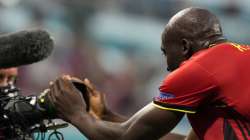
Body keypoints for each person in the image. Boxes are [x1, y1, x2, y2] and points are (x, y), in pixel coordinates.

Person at [47, 7, 250, 140]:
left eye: (165, 52)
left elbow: (127, 138)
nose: (169, 67)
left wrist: (75, 114)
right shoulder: (237, 60)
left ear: (184, 46)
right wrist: (106, 116)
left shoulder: (197, 69)